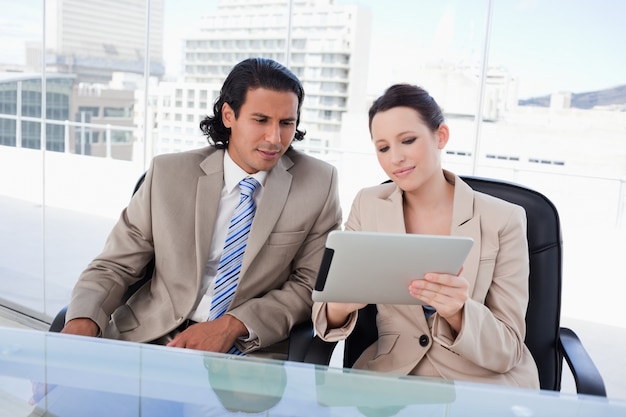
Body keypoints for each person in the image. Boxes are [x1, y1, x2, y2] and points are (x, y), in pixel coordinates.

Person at [60, 57, 342, 359]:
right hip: (150, 338)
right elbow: (114, 265)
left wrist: (231, 326)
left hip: (248, 350)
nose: (275, 138)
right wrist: (82, 322)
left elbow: (309, 284)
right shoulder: (168, 174)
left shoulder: (318, 184)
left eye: (287, 123)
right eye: (260, 121)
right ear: (228, 115)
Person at [312, 83, 540, 388]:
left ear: (441, 136)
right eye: (383, 148)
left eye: (407, 140)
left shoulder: (503, 218)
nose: (395, 158)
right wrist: (341, 305)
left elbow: (508, 348)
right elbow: (325, 312)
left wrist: (459, 312)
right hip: (393, 379)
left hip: (479, 383)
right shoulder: (368, 205)